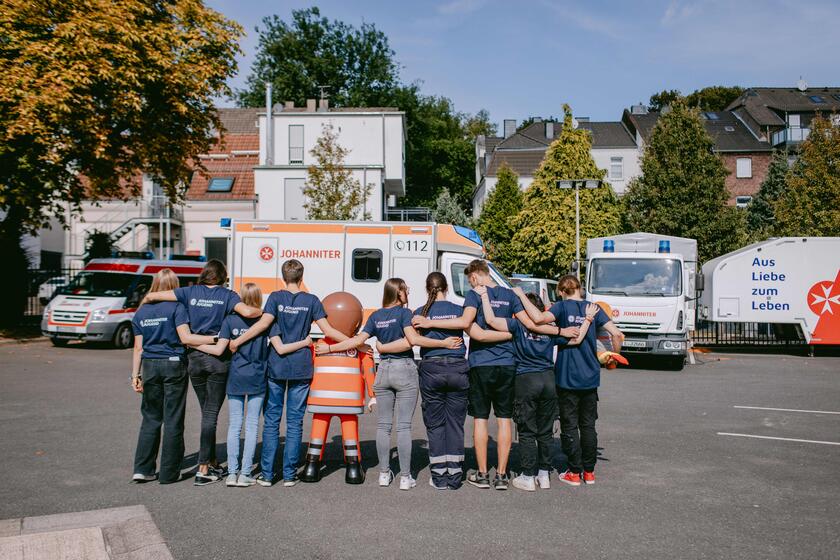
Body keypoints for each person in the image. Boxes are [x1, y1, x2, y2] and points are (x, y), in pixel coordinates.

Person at [412, 259, 572, 490]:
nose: (470, 284)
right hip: (507, 365)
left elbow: (470, 326)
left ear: (475, 276)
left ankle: (483, 474)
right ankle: (502, 475)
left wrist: (428, 321)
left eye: (469, 280)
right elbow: (532, 324)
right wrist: (559, 331)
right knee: (505, 419)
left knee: (481, 419)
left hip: (480, 364)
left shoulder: (475, 295)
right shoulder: (509, 295)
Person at [317, 278, 461, 491]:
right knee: (403, 426)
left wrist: (330, 349)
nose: (408, 293)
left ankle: (384, 474)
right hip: (404, 370)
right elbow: (413, 340)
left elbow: (357, 341)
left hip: (383, 371)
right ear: (399, 292)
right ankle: (405, 477)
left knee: (383, 426)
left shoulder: (375, 316)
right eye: (406, 290)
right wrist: (443, 343)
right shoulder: (405, 314)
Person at [228, 259, 350, 487]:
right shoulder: (311, 300)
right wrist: (355, 342)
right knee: (295, 422)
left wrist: (238, 341)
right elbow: (329, 330)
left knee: (272, 421)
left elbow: (262, 325)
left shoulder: (275, 298)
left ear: (283, 277)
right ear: (302, 277)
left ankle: (266, 475)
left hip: (276, 367)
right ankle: (290, 475)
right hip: (301, 367)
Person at [143, 259, 263, 485]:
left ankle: (212, 461)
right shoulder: (228, 296)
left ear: (205, 274)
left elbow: (156, 296)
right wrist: (266, 312)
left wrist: (148, 301)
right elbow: (248, 311)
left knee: (206, 411)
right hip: (218, 361)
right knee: (210, 415)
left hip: (194, 360)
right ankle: (203, 468)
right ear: (223, 276)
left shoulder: (189, 292)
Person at [477, 285, 594, 492]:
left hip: (525, 380)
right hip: (549, 380)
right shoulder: (550, 330)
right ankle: (544, 474)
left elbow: (491, 321)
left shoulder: (517, 325)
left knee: (527, 430)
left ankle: (528, 476)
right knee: (545, 431)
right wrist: (588, 320)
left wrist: (485, 296)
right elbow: (576, 339)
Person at [515, 274, 624, 486]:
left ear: (563, 291)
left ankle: (574, 471)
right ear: (579, 289)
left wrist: (522, 296)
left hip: (566, 376)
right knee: (589, 425)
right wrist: (613, 360)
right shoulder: (594, 308)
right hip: (590, 376)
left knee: (570, 425)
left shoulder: (561, 308)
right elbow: (617, 335)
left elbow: (538, 319)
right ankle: (589, 472)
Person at [376, 272, 469, 490]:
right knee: (455, 423)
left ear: (428, 289)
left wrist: (381, 348)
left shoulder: (419, 313)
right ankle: (454, 476)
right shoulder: (459, 311)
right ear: (446, 287)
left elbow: (410, 342)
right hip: (457, 368)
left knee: (435, 424)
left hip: (431, 370)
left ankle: (438, 476)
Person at [130, 269, 213, 484]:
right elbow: (186, 338)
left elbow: (138, 348)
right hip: (174, 364)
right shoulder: (177, 307)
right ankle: (169, 472)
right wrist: (215, 339)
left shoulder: (141, 312)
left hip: (149, 366)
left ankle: (142, 468)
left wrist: (134, 375)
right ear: (174, 285)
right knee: (173, 419)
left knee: (150, 418)